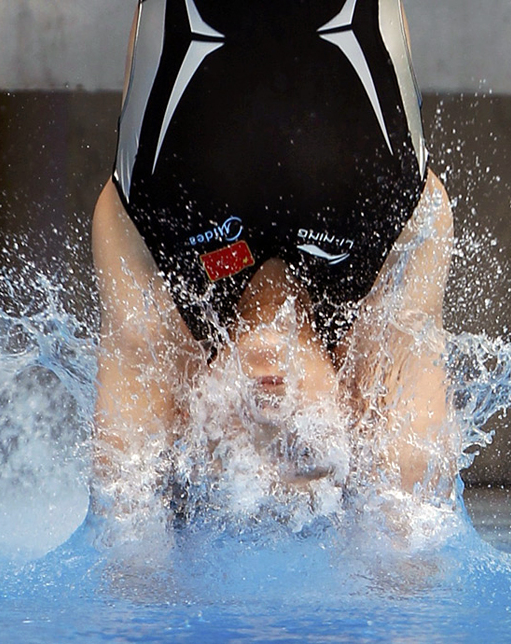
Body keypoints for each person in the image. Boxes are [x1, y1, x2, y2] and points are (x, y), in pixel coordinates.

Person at [91, 0, 457, 519]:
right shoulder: (389, 255)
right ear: (352, 409)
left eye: (248, 448)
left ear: (194, 413)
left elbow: (124, 517)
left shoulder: (156, 264)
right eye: (304, 449)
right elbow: (412, 520)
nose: (274, 414)